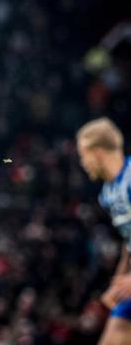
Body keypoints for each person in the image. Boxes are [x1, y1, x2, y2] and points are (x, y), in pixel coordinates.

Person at [76, 118, 131, 345]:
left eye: (83, 155)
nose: (82, 162)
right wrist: (119, 279)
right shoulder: (108, 194)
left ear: (97, 152)